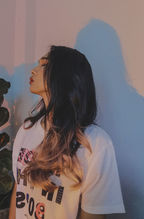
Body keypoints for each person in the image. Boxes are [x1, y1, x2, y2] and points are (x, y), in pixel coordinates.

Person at [9, 45, 125, 219]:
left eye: (44, 65)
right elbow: (18, 190)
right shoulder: (26, 130)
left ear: (64, 76)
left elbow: (92, 215)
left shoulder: (95, 143)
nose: (33, 71)